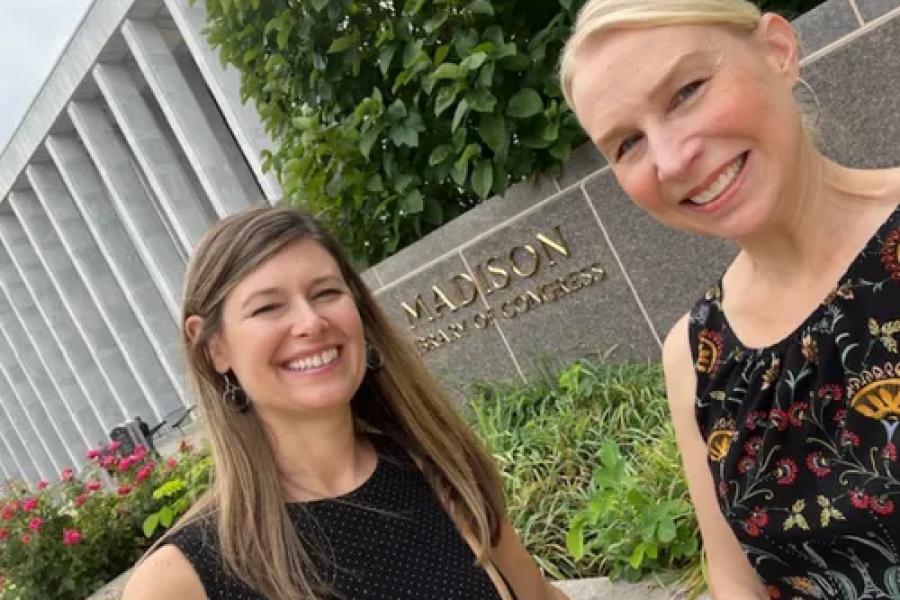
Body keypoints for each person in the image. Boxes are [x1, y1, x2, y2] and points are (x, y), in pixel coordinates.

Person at [560, 1, 900, 598]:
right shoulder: (695, 356)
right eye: (627, 143)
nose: (670, 160)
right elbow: (736, 581)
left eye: (686, 91)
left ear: (778, 50)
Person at [122, 206, 567, 600]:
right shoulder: (180, 580)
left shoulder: (438, 470)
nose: (310, 322)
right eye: (268, 307)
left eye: (325, 293)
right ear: (214, 348)